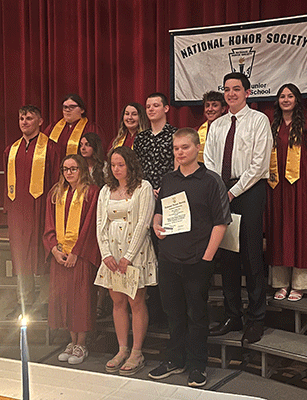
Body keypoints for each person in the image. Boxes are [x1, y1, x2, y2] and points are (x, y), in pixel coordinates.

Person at [149, 128, 231, 388]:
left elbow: (221, 222)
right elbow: (159, 212)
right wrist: (156, 224)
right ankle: (175, 360)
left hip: (198, 259)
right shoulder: (169, 179)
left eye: (185, 147)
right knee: (173, 313)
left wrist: (207, 257)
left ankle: (197, 365)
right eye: (176, 148)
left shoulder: (210, 180)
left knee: (197, 316)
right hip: (169, 258)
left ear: (197, 148)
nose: (180, 152)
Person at [204, 72, 272, 345]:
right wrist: (220, 191)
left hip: (248, 192)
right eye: (227, 90)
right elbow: (209, 158)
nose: (231, 94)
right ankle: (233, 315)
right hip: (222, 192)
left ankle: (256, 319)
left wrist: (232, 191)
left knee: (251, 256)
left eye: (236, 89)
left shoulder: (259, 121)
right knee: (228, 257)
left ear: (248, 92)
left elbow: (258, 164)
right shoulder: (218, 125)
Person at [95, 146, 157, 375]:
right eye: (113, 165)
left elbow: (143, 223)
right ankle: (122, 349)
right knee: (117, 302)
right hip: (112, 253)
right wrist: (106, 254)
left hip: (135, 253)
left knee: (136, 302)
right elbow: (100, 223)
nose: (117, 169)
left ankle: (136, 352)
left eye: (121, 164)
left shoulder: (143, 187)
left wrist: (128, 257)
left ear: (130, 165)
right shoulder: (105, 190)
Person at [266, 84, 307, 302]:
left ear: (297, 100)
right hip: (276, 187)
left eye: (290, 96)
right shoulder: (272, 126)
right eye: (282, 96)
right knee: (278, 232)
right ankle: (280, 283)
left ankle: (299, 284)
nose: (286, 99)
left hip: (300, 188)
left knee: (300, 234)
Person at [3, 105, 60, 320]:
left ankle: (45, 302)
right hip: (18, 211)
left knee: (43, 254)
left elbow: (56, 182)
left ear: (40, 121)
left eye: (29, 118)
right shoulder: (11, 150)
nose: (24, 122)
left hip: (42, 210)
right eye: (21, 118)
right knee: (20, 257)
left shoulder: (51, 149)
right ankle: (23, 300)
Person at [43, 154, 100, 365]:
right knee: (65, 299)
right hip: (61, 256)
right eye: (65, 169)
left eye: (73, 168)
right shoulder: (56, 193)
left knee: (81, 299)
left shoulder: (91, 192)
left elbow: (90, 225)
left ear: (82, 170)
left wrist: (77, 252)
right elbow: (48, 223)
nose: (69, 173)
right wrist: (54, 250)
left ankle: (81, 344)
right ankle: (71, 340)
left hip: (81, 257)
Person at [133, 92, 177, 326]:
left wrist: (164, 188)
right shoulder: (141, 138)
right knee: (146, 249)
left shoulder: (174, 134)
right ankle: (151, 307)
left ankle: (168, 307)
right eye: (148, 106)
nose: (151, 109)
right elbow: (136, 169)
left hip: (168, 199)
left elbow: (179, 166)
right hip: (145, 198)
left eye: (156, 105)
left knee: (165, 252)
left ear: (166, 108)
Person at [78, 132, 108, 318]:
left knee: (100, 262)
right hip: (79, 218)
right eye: (81, 144)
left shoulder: (103, 168)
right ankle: (86, 301)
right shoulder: (77, 167)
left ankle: (100, 303)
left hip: (99, 217)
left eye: (88, 144)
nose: (83, 148)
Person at [44, 94, 103, 159]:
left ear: (82, 110)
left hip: (82, 168)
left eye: (72, 107)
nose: (67, 110)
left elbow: (97, 152)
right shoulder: (53, 127)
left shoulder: (91, 128)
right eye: (65, 107)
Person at [195, 91, 227, 163]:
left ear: (223, 109)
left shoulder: (229, 129)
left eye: (214, 105)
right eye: (207, 106)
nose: (210, 109)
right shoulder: (197, 131)